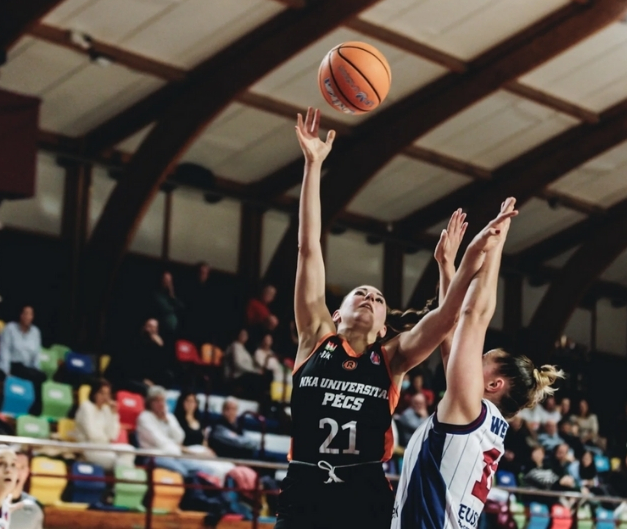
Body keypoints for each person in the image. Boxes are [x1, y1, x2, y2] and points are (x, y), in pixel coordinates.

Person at [276, 108, 516, 529]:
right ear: (337, 313)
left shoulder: (392, 357)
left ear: (385, 325)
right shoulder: (315, 335)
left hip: (363, 490)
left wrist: (463, 265)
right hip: (305, 486)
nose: (369, 296)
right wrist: (313, 165)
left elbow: (446, 319)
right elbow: (308, 247)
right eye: (359, 294)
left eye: (378, 297)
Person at [392, 199, 562, 529]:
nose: (471, 358)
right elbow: (450, 337)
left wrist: (494, 245)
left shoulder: (469, 412)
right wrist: (446, 266)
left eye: (483, 359)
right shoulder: (480, 424)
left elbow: (475, 315)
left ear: (494, 384)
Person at [74, 379, 134, 471]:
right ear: (94, 393)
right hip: (89, 448)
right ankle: (124, 482)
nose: (105, 397)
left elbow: (113, 435)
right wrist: (106, 439)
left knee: (129, 449)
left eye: (107, 394)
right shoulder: (86, 407)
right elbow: (92, 435)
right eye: (102, 393)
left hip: (105, 446)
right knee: (117, 460)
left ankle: (123, 481)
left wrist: (114, 414)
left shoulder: (106, 409)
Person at [0, 307, 46, 387]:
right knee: (29, 374)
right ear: (21, 315)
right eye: (26, 313)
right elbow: (4, 352)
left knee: (41, 376)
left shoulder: (36, 332)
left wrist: (36, 370)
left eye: (31, 314)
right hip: (13, 365)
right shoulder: (9, 328)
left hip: (28, 369)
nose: (28, 317)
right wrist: (6, 373)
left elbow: (36, 355)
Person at [222, 328, 270, 401]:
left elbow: (251, 365)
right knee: (255, 378)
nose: (244, 336)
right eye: (242, 334)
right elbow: (238, 364)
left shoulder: (244, 349)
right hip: (235, 376)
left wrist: (257, 370)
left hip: (244, 375)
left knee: (263, 377)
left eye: (245, 335)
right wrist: (255, 371)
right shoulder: (235, 346)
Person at [9, 450, 44, 529]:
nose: (17, 472)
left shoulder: (36, 506)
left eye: (22, 467)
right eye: (13, 466)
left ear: (27, 471)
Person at [151, 271, 184, 339]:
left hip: (174, 331)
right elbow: (165, 309)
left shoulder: (171, 295)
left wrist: (172, 296)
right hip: (162, 328)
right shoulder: (157, 294)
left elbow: (181, 307)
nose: (168, 283)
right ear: (162, 280)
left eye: (170, 281)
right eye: (166, 280)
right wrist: (175, 308)